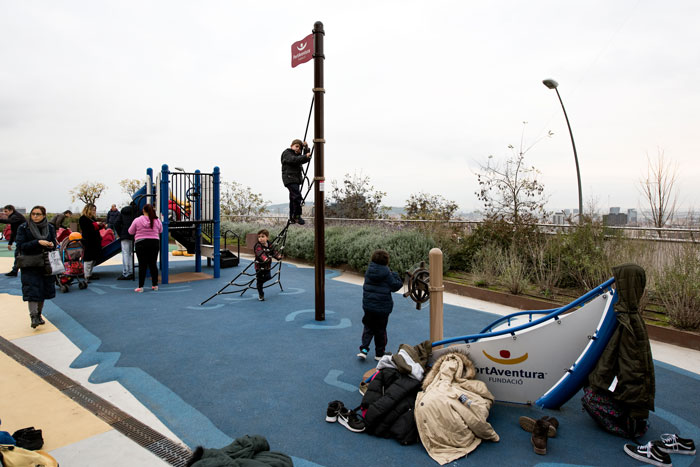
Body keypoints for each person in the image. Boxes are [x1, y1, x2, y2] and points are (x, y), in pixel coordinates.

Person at [357, 249, 404, 361]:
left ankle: (364, 349)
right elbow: (396, 286)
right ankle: (379, 353)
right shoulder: (387, 273)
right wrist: (396, 275)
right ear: (386, 261)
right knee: (380, 330)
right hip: (382, 308)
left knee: (368, 327)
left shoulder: (369, 271)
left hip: (368, 305)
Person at [15, 206, 56, 328]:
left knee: (43, 289)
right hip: (30, 262)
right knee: (32, 289)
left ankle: (38, 314)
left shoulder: (50, 228)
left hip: (45, 262)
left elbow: (53, 242)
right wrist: (37, 242)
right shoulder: (24, 227)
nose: (35, 216)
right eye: (33, 214)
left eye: (38, 214)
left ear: (44, 215)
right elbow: (21, 245)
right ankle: (33, 316)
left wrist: (51, 244)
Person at [128, 203, 162, 292]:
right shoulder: (157, 220)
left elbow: (130, 231)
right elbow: (161, 230)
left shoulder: (137, 220)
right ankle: (155, 285)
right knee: (153, 264)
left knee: (142, 264)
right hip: (154, 242)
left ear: (143, 210)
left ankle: (141, 286)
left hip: (141, 243)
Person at [281, 139, 311, 225]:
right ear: (292, 146)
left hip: (295, 179)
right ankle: (297, 215)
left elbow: (305, 159)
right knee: (297, 196)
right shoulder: (287, 153)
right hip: (290, 178)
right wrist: (305, 156)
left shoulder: (297, 156)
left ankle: (292, 217)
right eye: (296, 146)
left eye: (299, 148)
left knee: (293, 198)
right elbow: (293, 159)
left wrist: (306, 148)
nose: (298, 149)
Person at [253, 229, 282, 301]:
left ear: (267, 237)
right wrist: (265, 258)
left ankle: (259, 283)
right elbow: (260, 253)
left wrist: (278, 256)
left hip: (267, 266)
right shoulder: (258, 245)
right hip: (259, 266)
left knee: (268, 277)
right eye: (259, 237)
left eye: (263, 236)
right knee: (259, 281)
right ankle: (261, 294)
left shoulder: (270, 244)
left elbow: (273, 252)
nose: (260, 238)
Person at [78, 204, 104, 281]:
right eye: (93, 210)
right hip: (88, 241)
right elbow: (88, 228)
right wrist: (97, 225)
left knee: (93, 258)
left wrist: (100, 225)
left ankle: (89, 274)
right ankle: (87, 275)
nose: (94, 212)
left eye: (95, 210)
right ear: (88, 210)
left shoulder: (92, 218)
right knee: (88, 258)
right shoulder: (83, 219)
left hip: (95, 240)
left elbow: (94, 227)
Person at [1, 204, 27, 276]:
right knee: (19, 254)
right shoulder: (14, 217)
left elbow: (8, 221)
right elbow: (13, 231)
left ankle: (15, 270)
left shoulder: (15, 216)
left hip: (23, 239)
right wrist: (10, 242)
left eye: (6, 211)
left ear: (11, 210)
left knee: (18, 254)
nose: (5, 213)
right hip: (20, 238)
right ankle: (15, 270)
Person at [114, 202, 137, 280]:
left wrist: (120, 233)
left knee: (125, 253)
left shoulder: (123, 212)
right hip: (133, 235)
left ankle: (125, 272)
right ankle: (131, 271)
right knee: (130, 253)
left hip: (124, 234)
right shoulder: (137, 212)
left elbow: (116, 223)